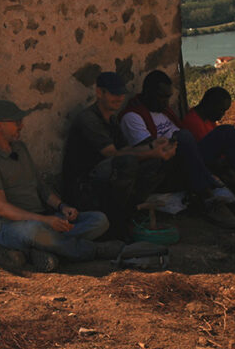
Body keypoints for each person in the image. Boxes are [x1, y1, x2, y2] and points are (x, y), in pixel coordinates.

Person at [0, 98, 166, 271]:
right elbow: (2, 209)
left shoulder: (20, 149)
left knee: (99, 220)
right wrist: (44, 221)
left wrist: (62, 206)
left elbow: (40, 186)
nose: (21, 125)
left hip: (43, 220)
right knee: (35, 231)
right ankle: (93, 251)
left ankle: (43, 250)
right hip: (9, 227)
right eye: (16, 122)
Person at [119, 71, 235, 229]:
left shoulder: (164, 111)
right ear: (148, 93)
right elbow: (150, 151)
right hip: (165, 168)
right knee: (183, 137)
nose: (166, 102)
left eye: (168, 97)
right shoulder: (133, 117)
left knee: (227, 132)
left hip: (187, 158)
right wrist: (176, 143)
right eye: (162, 96)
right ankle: (208, 200)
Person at [62, 71, 176, 237]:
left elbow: (125, 148)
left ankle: (129, 213)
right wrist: (151, 153)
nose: (120, 98)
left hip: (106, 175)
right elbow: (113, 154)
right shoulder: (88, 119)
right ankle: (116, 224)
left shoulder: (112, 119)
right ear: (100, 93)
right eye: (114, 94)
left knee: (155, 163)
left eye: (121, 94)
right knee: (127, 163)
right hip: (84, 184)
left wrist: (153, 146)